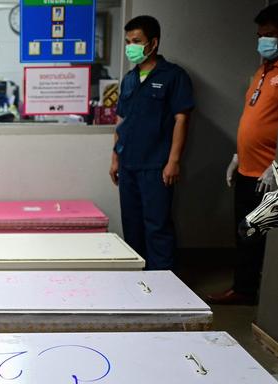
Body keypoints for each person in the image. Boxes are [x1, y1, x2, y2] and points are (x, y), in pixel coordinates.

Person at [109, 15, 194, 271]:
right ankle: (137, 281)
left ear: (153, 43)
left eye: (136, 41)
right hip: (129, 164)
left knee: (157, 225)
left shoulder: (173, 76)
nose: (130, 47)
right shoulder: (130, 79)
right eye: (128, 41)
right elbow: (121, 121)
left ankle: (163, 284)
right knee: (132, 225)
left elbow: (182, 119)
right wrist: (115, 158)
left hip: (156, 165)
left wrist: (173, 161)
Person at [207, 4, 278, 305]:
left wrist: (276, 164)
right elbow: (255, 118)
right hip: (249, 169)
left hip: (270, 176)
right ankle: (244, 289)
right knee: (245, 234)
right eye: (260, 35)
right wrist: (238, 156)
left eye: (271, 35)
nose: (264, 42)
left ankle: (264, 298)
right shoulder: (262, 70)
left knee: (265, 240)